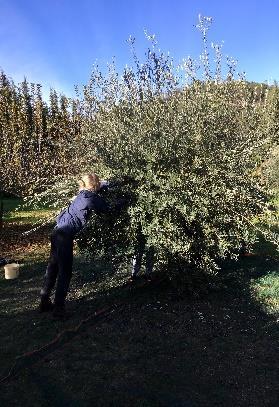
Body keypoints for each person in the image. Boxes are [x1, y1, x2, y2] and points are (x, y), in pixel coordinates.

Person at [39, 173, 112, 319]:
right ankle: (58, 310)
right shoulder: (90, 198)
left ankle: (44, 301)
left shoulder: (81, 195)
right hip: (64, 237)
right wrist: (125, 201)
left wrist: (108, 184)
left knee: (53, 268)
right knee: (65, 272)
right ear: (94, 185)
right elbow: (106, 208)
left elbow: (103, 185)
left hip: (56, 233)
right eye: (98, 184)